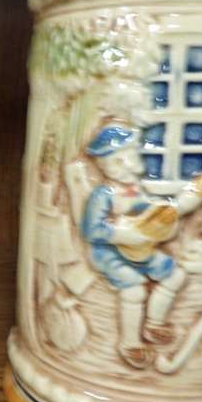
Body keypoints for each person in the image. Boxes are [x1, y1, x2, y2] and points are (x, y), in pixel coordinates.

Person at [81, 125, 187, 369]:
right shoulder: (103, 194)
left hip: (141, 251)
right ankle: (130, 343)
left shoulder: (137, 190)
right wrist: (123, 234)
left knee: (176, 275)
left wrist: (161, 222)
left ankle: (154, 323)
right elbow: (92, 230)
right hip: (108, 253)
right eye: (117, 162)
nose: (127, 166)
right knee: (134, 291)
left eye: (130, 158)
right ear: (103, 167)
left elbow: (147, 215)